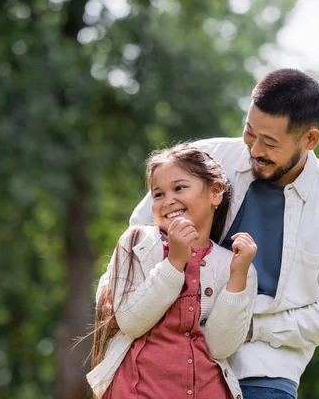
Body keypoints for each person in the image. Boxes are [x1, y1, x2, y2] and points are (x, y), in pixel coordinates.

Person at [127, 69, 319, 399]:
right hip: (170, 351)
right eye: (249, 133)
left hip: (263, 369)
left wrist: (259, 328)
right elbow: (140, 230)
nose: (255, 149)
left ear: (310, 140)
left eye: (270, 143)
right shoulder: (206, 160)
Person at [87, 144, 258, 399]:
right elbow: (131, 323)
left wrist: (237, 278)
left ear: (215, 192)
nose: (168, 201)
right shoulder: (138, 243)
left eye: (179, 188)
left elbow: (220, 347)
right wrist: (174, 262)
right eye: (158, 194)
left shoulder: (235, 266)